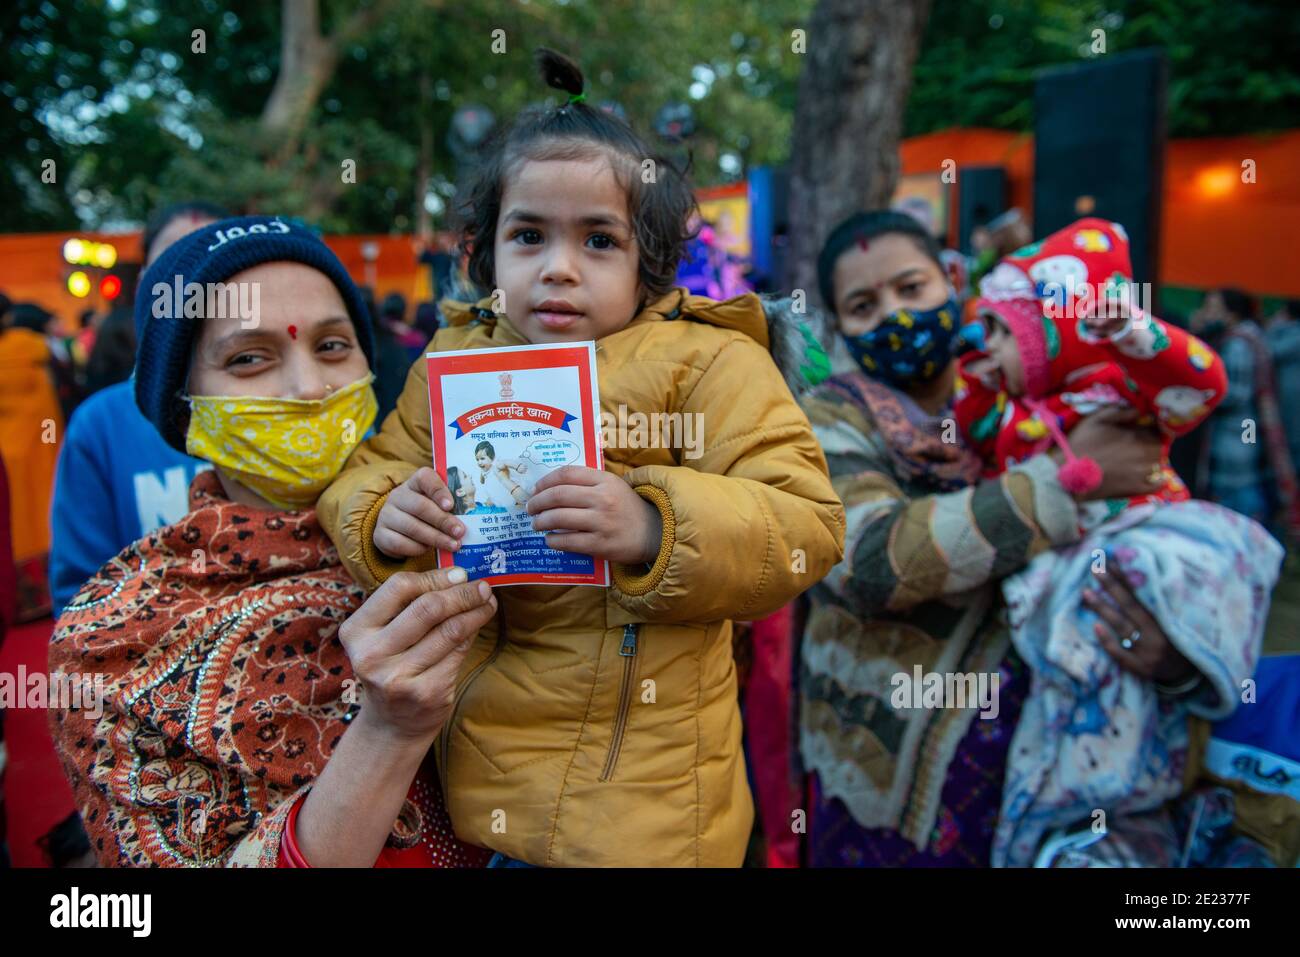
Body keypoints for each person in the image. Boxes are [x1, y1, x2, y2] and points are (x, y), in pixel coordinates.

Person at [316, 48, 845, 868]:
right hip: (467, 796)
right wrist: (385, 519)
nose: (559, 267)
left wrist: (651, 524)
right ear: (488, 252)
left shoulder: (707, 362)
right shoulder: (451, 364)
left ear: (648, 263)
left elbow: (806, 521)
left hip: (643, 817)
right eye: (529, 234)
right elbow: (362, 479)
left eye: (599, 239)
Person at [47, 216, 499, 867]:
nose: (308, 388)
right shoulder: (113, 643)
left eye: (334, 346)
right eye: (248, 358)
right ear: (184, 407)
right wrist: (388, 732)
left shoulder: (466, 530)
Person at [796, 210, 1219, 867]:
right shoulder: (829, 418)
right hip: (890, 795)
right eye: (863, 305)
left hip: (1054, 784)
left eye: (912, 288)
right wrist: (1063, 481)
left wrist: (1164, 650)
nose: (896, 315)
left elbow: (1142, 537)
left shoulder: (1039, 392)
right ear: (838, 326)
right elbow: (867, 563)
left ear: (954, 279)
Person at [954, 218, 1277, 864]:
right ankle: (1071, 812)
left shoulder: (1119, 385)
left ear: (1048, 331)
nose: (983, 342)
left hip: (1143, 547)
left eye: (999, 329)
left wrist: (1134, 334)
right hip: (1061, 574)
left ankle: (1119, 811)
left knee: (1133, 686)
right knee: (1073, 682)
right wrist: (981, 369)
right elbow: (968, 426)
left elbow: (1202, 384)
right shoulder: (1018, 409)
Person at [48, 202, 224, 616]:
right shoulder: (100, 424)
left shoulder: (298, 405)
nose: (199, 279)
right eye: (177, 260)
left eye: (219, 259)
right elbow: (81, 594)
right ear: (147, 284)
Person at [1193, 288, 1298, 534]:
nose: (1208, 313)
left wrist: (1199, 395)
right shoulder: (1251, 337)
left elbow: (1237, 393)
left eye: (1213, 307)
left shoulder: (1237, 344)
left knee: (1239, 489)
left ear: (1231, 312)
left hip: (1238, 433)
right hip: (1247, 430)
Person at [0, 302, 67, 620]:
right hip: (42, 440)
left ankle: (21, 592)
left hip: (6, 445)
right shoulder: (35, 349)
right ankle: (48, 587)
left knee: (13, 519)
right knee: (45, 507)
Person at [1266, 298, 1300, 483]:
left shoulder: (1293, 336)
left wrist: (1274, 326)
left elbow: (1269, 351)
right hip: (1287, 405)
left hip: (1289, 407)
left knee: (1290, 449)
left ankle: (1291, 500)